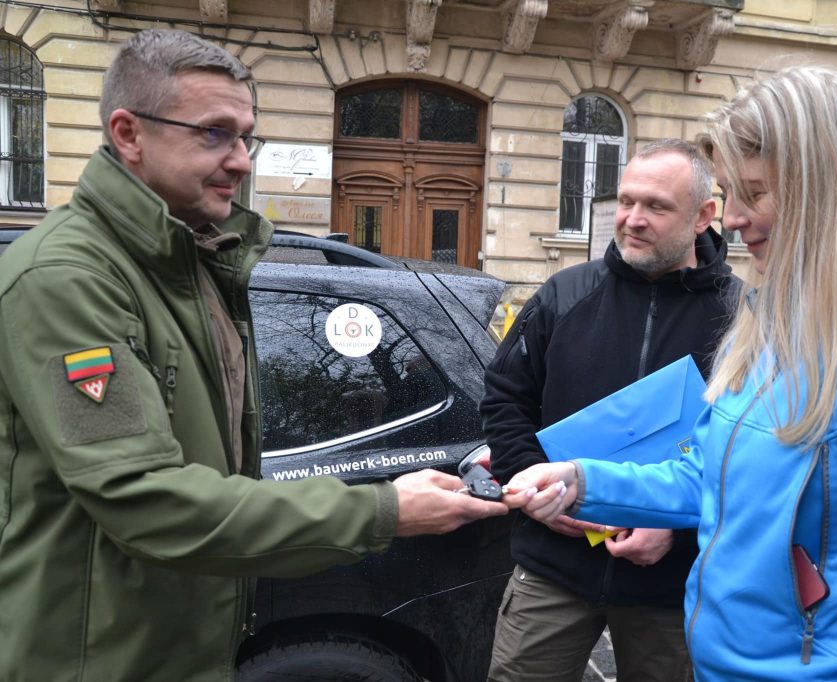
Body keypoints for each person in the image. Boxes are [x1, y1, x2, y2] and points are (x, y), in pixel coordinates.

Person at [0, 29, 506, 682]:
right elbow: (144, 499)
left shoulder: (200, 260)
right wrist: (384, 510)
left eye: (245, 137)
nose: (240, 159)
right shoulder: (67, 278)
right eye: (213, 133)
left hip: (181, 645)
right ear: (128, 134)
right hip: (93, 657)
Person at [503, 65, 837, 681]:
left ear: (829, 188)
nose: (732, 219)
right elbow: (710, 477)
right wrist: (584, 480)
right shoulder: (774, 324)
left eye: (754, 192)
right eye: (730, 193)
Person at [482, 139, 740, 681]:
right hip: (553, 565)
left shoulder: (745, 318)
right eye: (626, 201)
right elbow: (506, 399)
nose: (633, 219)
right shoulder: (562, 294)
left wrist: (678, 528)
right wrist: (535, 493)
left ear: (704, 216)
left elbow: (754, 453)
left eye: (656, 206)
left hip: (674, 585)